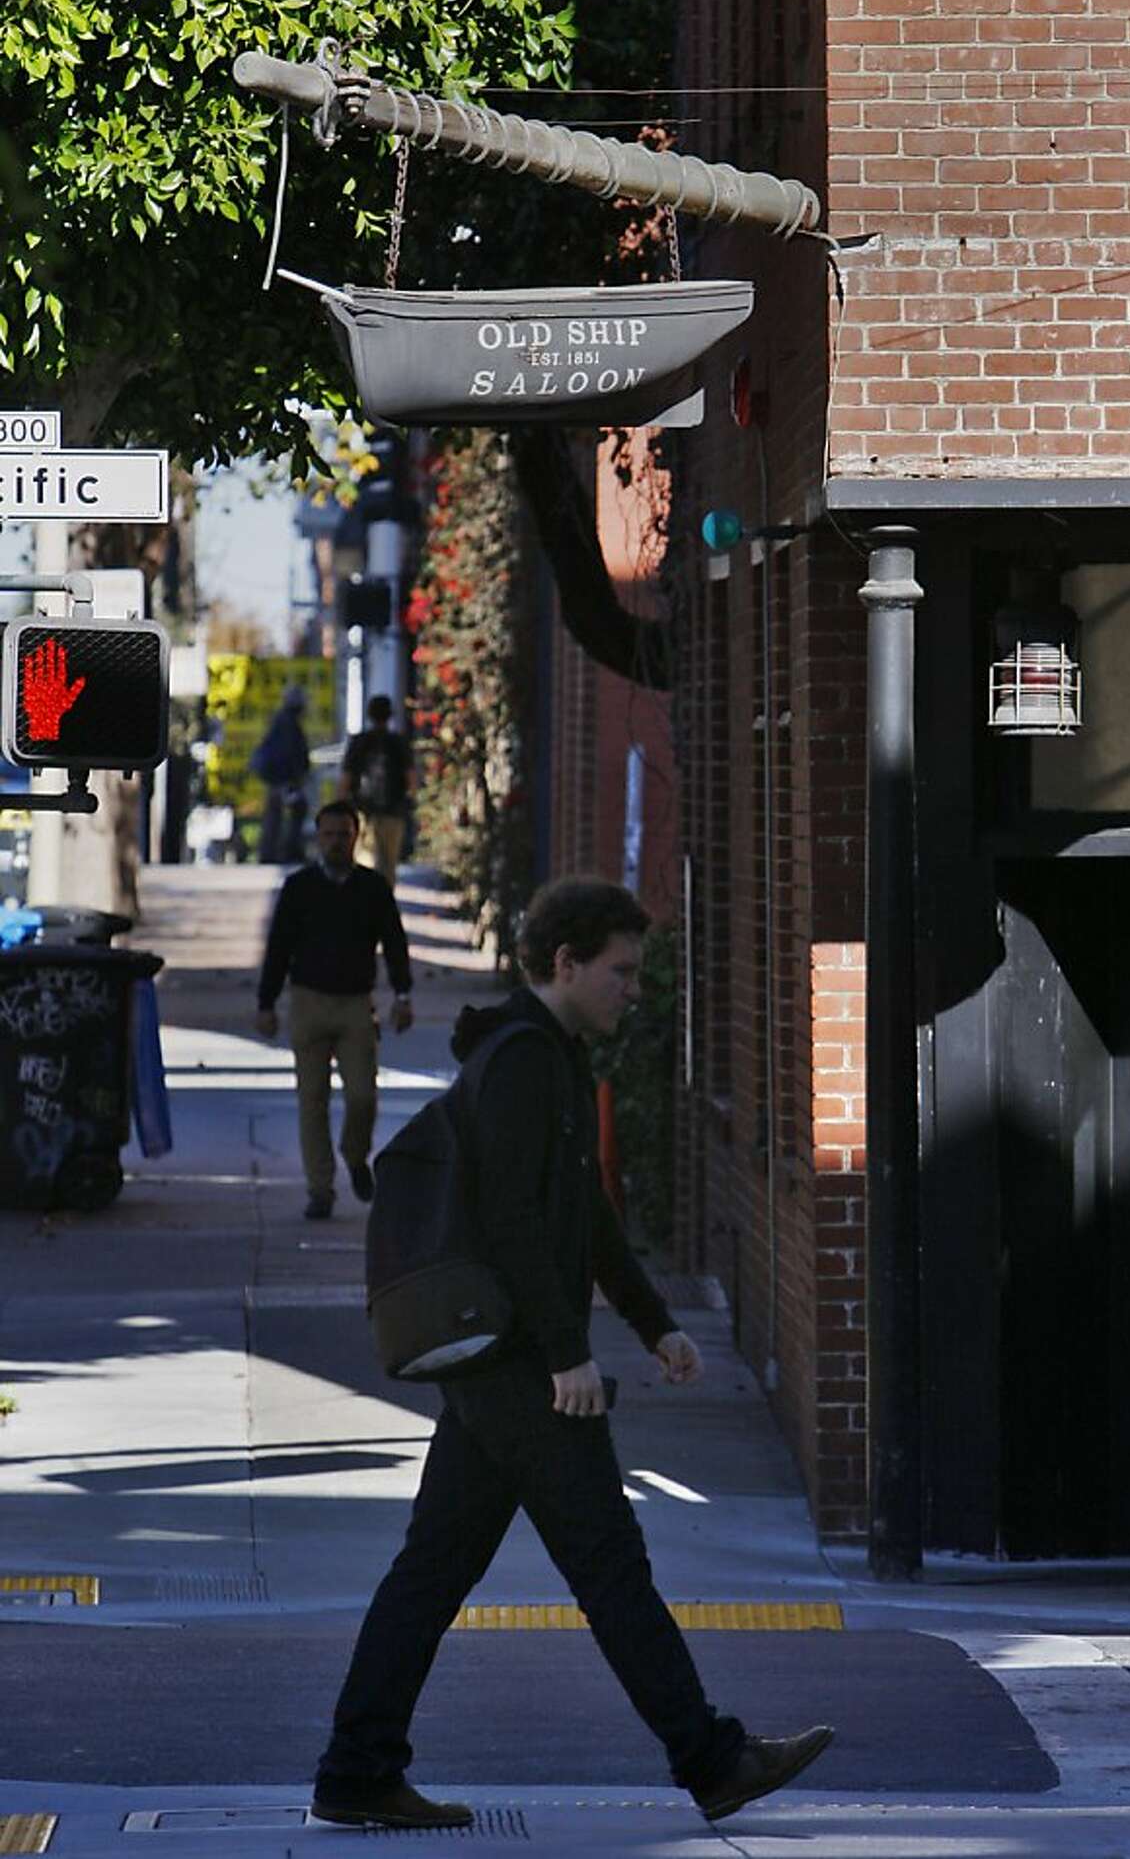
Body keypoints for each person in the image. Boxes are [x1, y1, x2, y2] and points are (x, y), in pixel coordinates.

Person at [310, 875, 833, 1832]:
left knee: (434, 1571)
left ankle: (356, 1770)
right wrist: (565, 1357)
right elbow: (511, 1218)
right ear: (566, 962)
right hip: (516, 1365)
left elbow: (582, 1213)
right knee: (608, 1564)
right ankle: (711, 1759)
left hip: (502, 1363)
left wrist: (653, 1321)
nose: (632, 989)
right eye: (620, 971)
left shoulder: (546, 1057)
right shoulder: (521, 1061)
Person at [256, 799, 414, 1220]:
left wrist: (403, 994)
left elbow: (395, 943)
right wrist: (266, 1002)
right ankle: (319, 1189)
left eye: (344, 834)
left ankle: (355, 1154)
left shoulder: (373, 888)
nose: (336, 842)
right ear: (317, 837)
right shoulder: (300, 888)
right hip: (308, 1000)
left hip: (355, 1004)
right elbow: (278, 947)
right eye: (328, 834)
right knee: (312, 1101)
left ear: (356, 837)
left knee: (363, 1095)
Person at [339, 694, 415, 888]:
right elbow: (411, 777)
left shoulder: (359, 742)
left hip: (363, 810)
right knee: (388, 862)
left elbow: (347, 777)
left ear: (369, 715)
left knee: (364, 857)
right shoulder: (398, 742)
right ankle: (384, 902)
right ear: (390, 715)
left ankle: (364, 901)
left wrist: (341, 806)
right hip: (393, 810)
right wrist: (409, 801)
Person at [253, 683, 310, 865]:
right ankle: (286, 851)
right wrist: (295, 776)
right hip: (284, 778)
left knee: (278, 813)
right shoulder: (288, 722)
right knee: (291, 811)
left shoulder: (283, 720)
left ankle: (275, 851)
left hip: (280, 778)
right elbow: (290, 752)